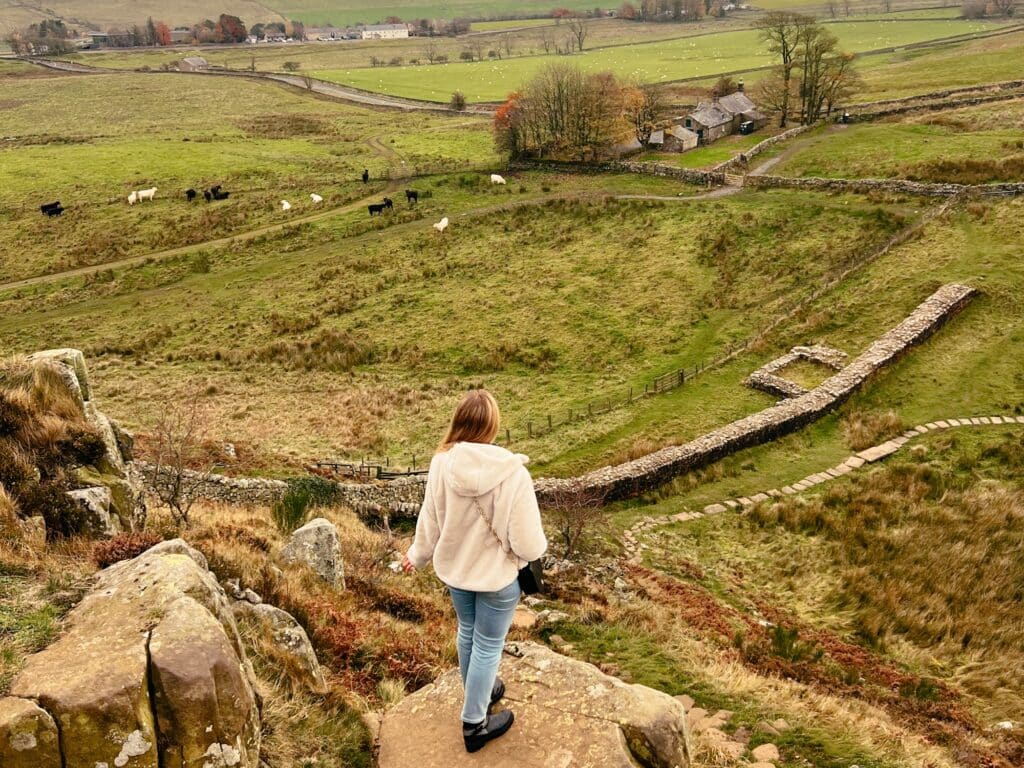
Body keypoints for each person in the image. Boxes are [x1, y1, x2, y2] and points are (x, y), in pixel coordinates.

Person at [403, 390, 547, 753]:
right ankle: (474, 724)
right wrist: (528, 556)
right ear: (492, 425)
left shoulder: (441, 463)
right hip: (498, 578)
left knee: (468, 632)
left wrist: (417, 555)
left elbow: (430, 519)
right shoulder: (513, 474)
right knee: (487, 645)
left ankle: (479, 691)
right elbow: (528, 545)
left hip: (456, 573)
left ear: (459, 422)